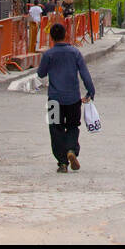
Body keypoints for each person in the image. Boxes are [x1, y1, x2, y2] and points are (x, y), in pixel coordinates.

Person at [37, 21, 95, 173]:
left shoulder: (48, 54)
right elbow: (84, 74)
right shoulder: (75, 53)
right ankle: (71, 150)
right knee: (72, 126)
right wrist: (90, 91)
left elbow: (41, 73)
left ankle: (62, 162)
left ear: (51, 37)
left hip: (54, 99)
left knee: (55, 129)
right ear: (66, 35)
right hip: (73, 99)